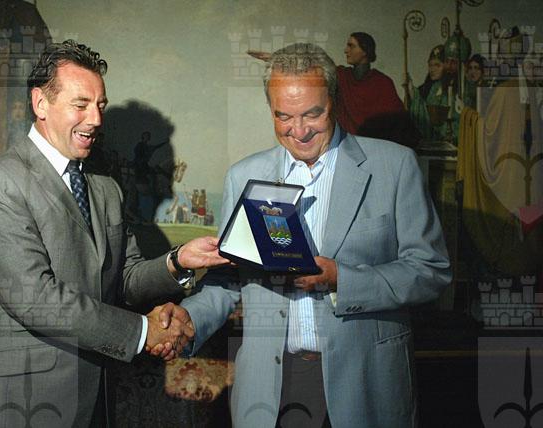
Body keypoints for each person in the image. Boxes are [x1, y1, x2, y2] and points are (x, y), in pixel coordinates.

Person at [161, 43, 451, 428]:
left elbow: (431, 270)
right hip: (271, 388)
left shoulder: (395, 166)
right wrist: (188, 318)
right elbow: (229, 279)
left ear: (334, 101)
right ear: (270, 108)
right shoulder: (243, 176)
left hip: (366, 383)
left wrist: (342, 279)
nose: (298, 131)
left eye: (313, 114)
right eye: (283, 116)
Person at [0, 40, 229, 428]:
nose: (96, 119)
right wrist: (144, 332)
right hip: (16, 405)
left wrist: (177, 260)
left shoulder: (105, 189)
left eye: (100, 105)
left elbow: (125, 279)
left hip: (93, 402)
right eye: (81, 104)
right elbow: (35, 298)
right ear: (40, 103)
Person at [336, 32, 419, 148]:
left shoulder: (382, 82)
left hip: (376, 147)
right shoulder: (342, 77)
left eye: (351, 46)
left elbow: (398, 121)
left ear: (365, 51)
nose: (346, 50)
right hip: (346, 146)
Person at [408, 45, 450, 142]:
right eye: (430, 65)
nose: (432, 69)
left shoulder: (450, 89)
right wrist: (411, 91)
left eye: (437, 65)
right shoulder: (423, 89)